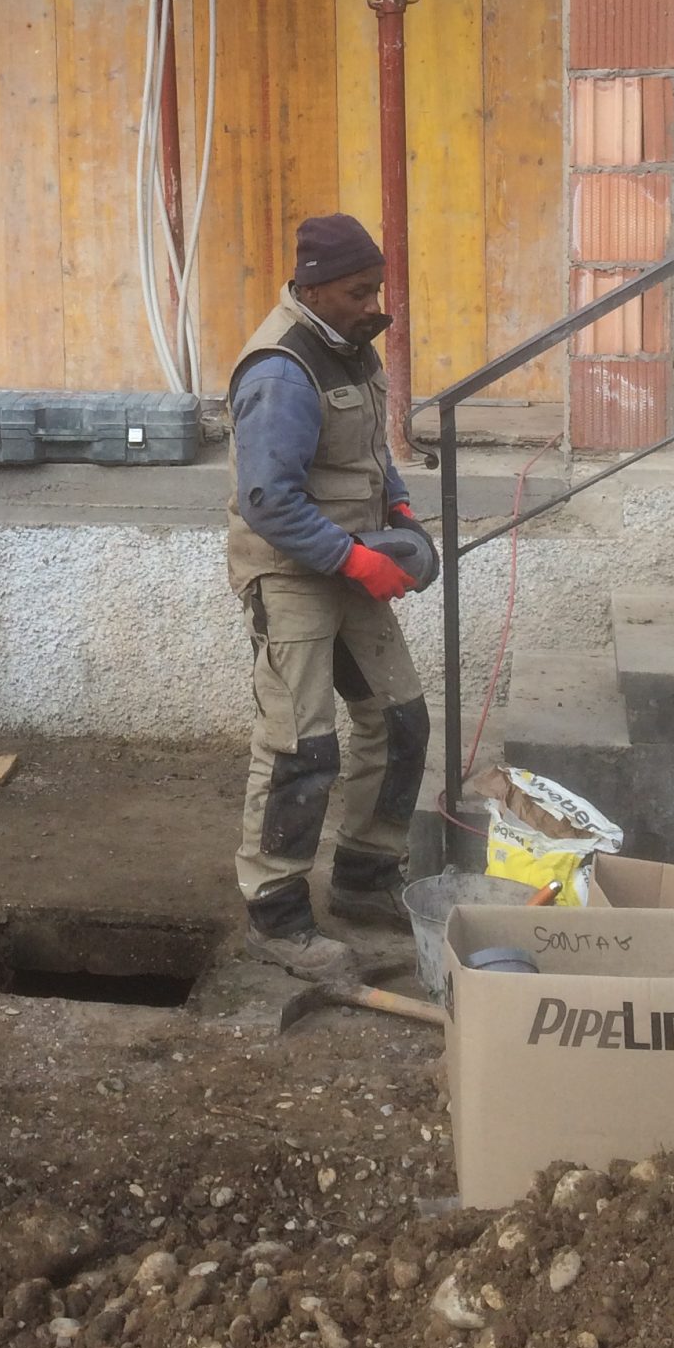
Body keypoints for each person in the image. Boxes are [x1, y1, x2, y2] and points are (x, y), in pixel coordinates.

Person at [225, 212, 438, 984]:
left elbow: (373, 454)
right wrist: (355, 558)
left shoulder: (348, 348)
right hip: (291, 575)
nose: (372, 301)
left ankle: (362, 878)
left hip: (352, 562)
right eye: (358, 290)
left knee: (400, 717)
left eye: (375, 286)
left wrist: (403, 512)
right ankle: (276, 917)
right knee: (299, 746)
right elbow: (269, 503)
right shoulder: (281, 371)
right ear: (313, 286)